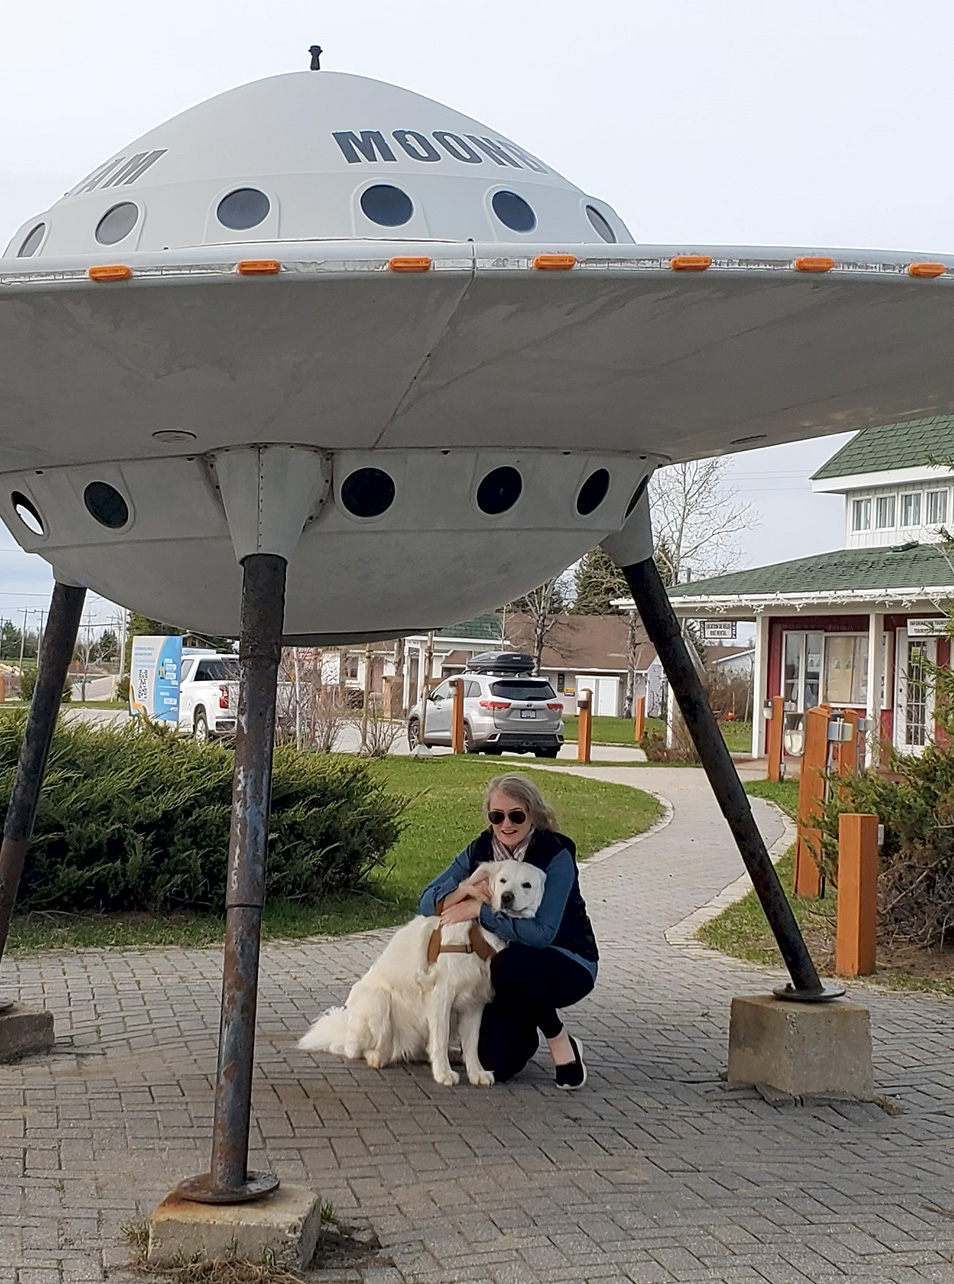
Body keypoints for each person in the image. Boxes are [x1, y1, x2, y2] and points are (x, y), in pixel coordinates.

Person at [419, 772, 598, 1088]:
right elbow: (426, 901)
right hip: (507, 970)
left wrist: (480, 911)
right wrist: (463, 891)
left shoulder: (555, 855)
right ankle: (523, 1028)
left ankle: (560, 1041)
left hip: (566, 960)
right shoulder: (480, 852)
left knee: (513, 961)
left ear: (533, 813)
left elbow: (542, 934)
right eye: (496, 816)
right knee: (493, 1065)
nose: (506, 824)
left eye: (516, 815)